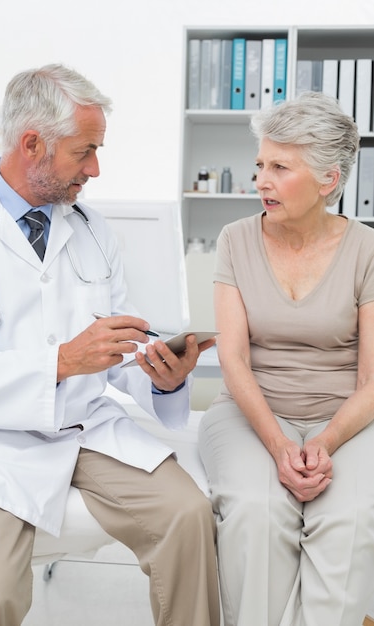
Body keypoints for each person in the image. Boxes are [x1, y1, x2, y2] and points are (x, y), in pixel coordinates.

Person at [0, 63, 220, 626]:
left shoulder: (94, 229)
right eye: (85, 151)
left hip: (84, 426)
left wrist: (160, 374)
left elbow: (116, 349)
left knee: (188, 515)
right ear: (33, 144)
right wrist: (60, 362)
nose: (96, 169)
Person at [198, 91, 374, 626]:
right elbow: (233, 360)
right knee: (257, 511)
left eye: (280, 167)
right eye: (259, 165)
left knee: (347, 518)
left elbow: (373, 379)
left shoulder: (367, 248)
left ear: (329, 180)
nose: (261, 181)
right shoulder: (235, 239)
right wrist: (279, 446)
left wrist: (323, 441)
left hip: (348, 418)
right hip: (251, 413)